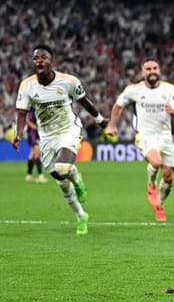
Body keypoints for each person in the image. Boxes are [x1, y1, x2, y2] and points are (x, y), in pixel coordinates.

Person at [11, 44, 108, 235]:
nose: (39, 60)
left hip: (68, 130)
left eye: (43, 57)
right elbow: (21, 113)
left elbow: (84, 101)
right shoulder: (27, 85)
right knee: (61, 182)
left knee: (63, 168)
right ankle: (81, 216)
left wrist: (99, 120)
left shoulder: (68, 81)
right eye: (35, 58)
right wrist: (18, 133)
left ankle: (77, 180)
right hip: (46, 137)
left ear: (51, 61)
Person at [106, 58, 174, 222]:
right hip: (145, 135)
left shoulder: (169, 89)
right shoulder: (134, 90)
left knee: (168, 178)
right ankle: (151, 185)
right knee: (156, 162)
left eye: (155, 68)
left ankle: (159, 206)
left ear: (159, 70)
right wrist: (112, 125)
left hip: (165, 136)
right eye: (148, 69)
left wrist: (172, 111)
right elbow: (118, 106)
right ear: (143, 72)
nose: (152, 71)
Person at [24, 109, 47, 183]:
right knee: (37, 153)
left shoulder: (35, 109)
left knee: (32, 154)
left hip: (35, 134)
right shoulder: (31, 110)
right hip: (32, 134)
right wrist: (32, 126)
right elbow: (26, 118)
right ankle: (40, 175)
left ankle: (29, 175)